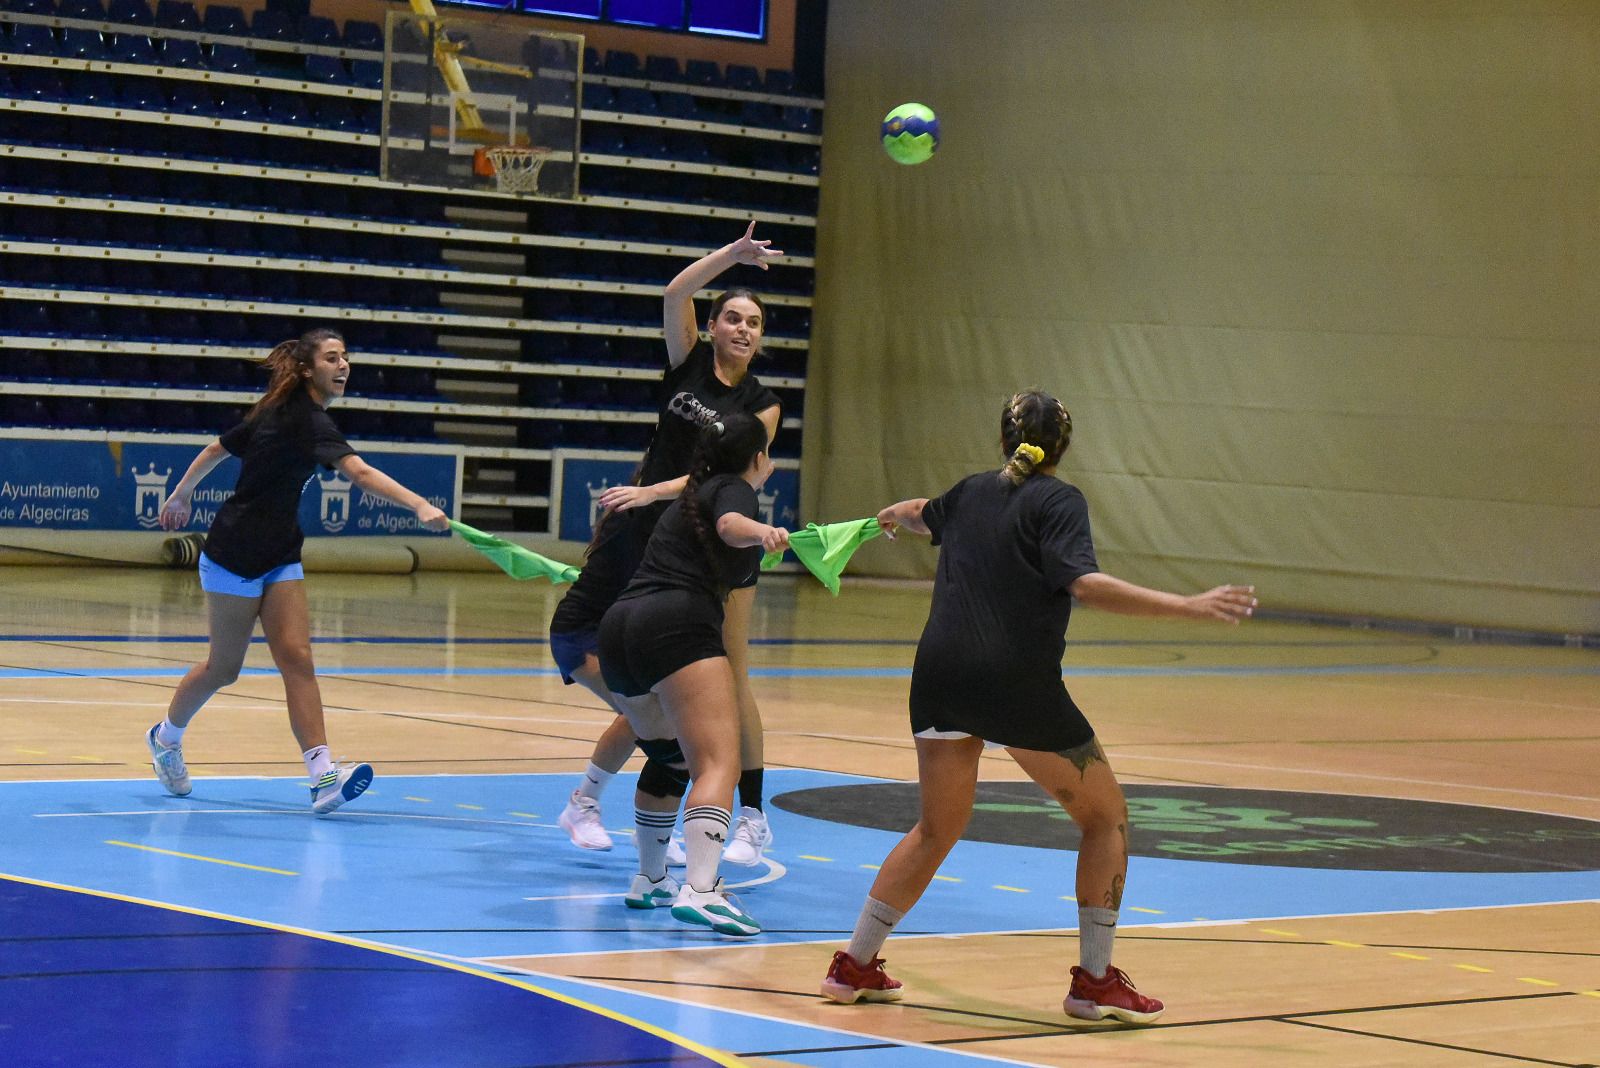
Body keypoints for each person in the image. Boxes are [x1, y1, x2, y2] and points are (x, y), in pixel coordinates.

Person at [820, 389, 1256, 1023]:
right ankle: (1095, 982)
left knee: (937, 828)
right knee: (1105, 819)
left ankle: (854, 964)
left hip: (939, 675)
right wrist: (1185, 605)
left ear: (1003, 440)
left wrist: (895, 513)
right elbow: (1084, 583)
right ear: (1065, 447)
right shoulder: (1060, 500)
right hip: (1014, 682)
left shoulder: (969, 491)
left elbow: (924, 513)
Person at [549, 223, 784, 867]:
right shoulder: (686, 363)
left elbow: (723, 480)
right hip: (643, 533)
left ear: (761, 340)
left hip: (706, 542)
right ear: (712, 328)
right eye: (732, 317)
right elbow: (675, 291)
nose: (742, 328)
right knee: (646, 691)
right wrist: (734, 256)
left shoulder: (763, 407)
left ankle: (750, 816)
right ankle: (596, 803)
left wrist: (655, 493)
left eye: (754, 323)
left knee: (724, 676)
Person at [148, 329, 449, 813]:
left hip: (282, 552)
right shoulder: (302, 420)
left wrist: (183, 493)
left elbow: (215, 450)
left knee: (298, 658)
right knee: (223, 669)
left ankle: (322, 774)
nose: (344, 364)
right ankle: (166, 738)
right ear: (308, 370)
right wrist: (418, 506)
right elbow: (359, 473)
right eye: (332, 358)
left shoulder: (293, 415)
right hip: (234, 554)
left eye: (346, 356)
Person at [596, 413, 788, 936]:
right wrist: (764, 532)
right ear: (757, 460)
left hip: (620, 631)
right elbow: (732, 525)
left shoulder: (691, 493)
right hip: (676, 625)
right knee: (717, 763)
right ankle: (701, 890)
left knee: (672, 759)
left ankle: (651, 878)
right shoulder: (734, 489)